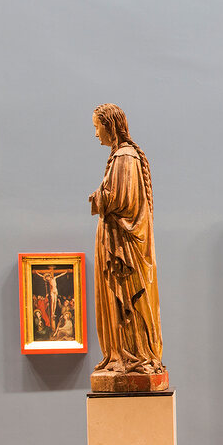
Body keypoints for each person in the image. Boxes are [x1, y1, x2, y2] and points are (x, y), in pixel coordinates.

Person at [89, 103, 164, 376]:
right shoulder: (121, 156)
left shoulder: (125, 158)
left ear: (109, 125)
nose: (96, 134)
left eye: (97, 127)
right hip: (118, 243)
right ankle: (121, 354)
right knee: (121, 307)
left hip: (125, 249)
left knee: (128, 305)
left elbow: (122, 200)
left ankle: (133, 354)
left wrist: (97, 197)